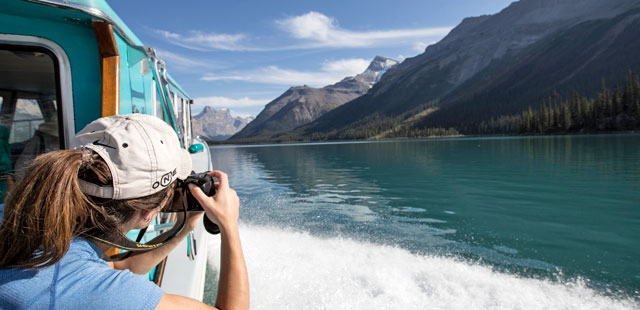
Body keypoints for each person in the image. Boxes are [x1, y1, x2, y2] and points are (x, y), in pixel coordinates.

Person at [0, 114, 249, 309]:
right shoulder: (76, 286)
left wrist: (186, 226)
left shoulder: (16, 219)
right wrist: (228, 224)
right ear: (147, 213)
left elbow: (121, 269)